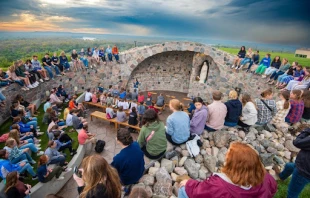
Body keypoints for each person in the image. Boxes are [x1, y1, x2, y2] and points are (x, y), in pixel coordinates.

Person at [178, 142, 277, 198]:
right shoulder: (266, 178)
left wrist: (189, 183)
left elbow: (198, 192)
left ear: (234, 165)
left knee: (183, 189)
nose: (226, 156)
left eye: (228, 155)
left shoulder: (218, 185)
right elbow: (272, 190)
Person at [273, 127, 310, 198]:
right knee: (289, 166)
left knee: (292, 194)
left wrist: (306, 131)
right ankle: (281, 177)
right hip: (303, 164)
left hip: (304, 171)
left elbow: (297, 143)